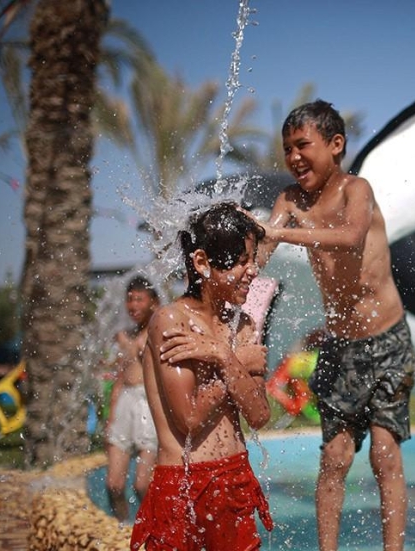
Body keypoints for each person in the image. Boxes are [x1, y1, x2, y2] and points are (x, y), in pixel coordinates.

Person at [256, 99, 415, 551]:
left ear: (336, 144)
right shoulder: (289, 200)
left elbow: (350, 237)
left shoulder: (356, 190)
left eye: (302, 145)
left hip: (387, 340)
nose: (293, 157)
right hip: (341, 345)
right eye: (287, 148)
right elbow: (261, 255)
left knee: (385, 453)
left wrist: (284, 232)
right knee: (334, 457)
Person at [130, 202, 274, 550]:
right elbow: (189, 418)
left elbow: (259, 415)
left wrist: (222, 355)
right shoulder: (170, 321)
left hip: (235, 477)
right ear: (201, 263)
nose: (252, 271)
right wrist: (233, 360)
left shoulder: (242, 323)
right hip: (184, 484)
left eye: (252, 260)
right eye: (241, 261)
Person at [104, 275, 160, 521]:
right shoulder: (126, 335)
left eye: (139, 299)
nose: (133, 305)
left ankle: (158, 533)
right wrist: (111, 415)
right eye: (130, 299)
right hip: (125, 403)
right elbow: (120, 378)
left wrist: (133, 346)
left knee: (142, 485)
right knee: (114, 485)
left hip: (148, 405)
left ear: (153, 303)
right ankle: (122, 531)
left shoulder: (157, 333)